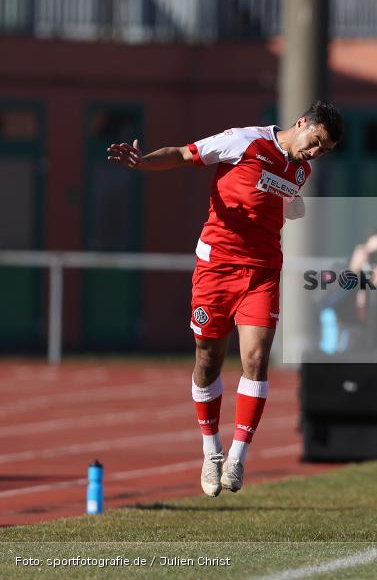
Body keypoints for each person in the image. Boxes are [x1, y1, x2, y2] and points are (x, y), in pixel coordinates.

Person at [106, 101, 344, 496]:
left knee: (255, 358)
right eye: (316, 141)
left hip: (262, 272)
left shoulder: (301, 169)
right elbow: (184, 153)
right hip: (216, 269)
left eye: (325, 150)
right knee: (208, 359)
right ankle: (211, 449)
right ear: (302, 123)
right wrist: (142, 162)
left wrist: (295, 205)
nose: (316, 152)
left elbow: (285, 202)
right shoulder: (243, 141)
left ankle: (237, 456)